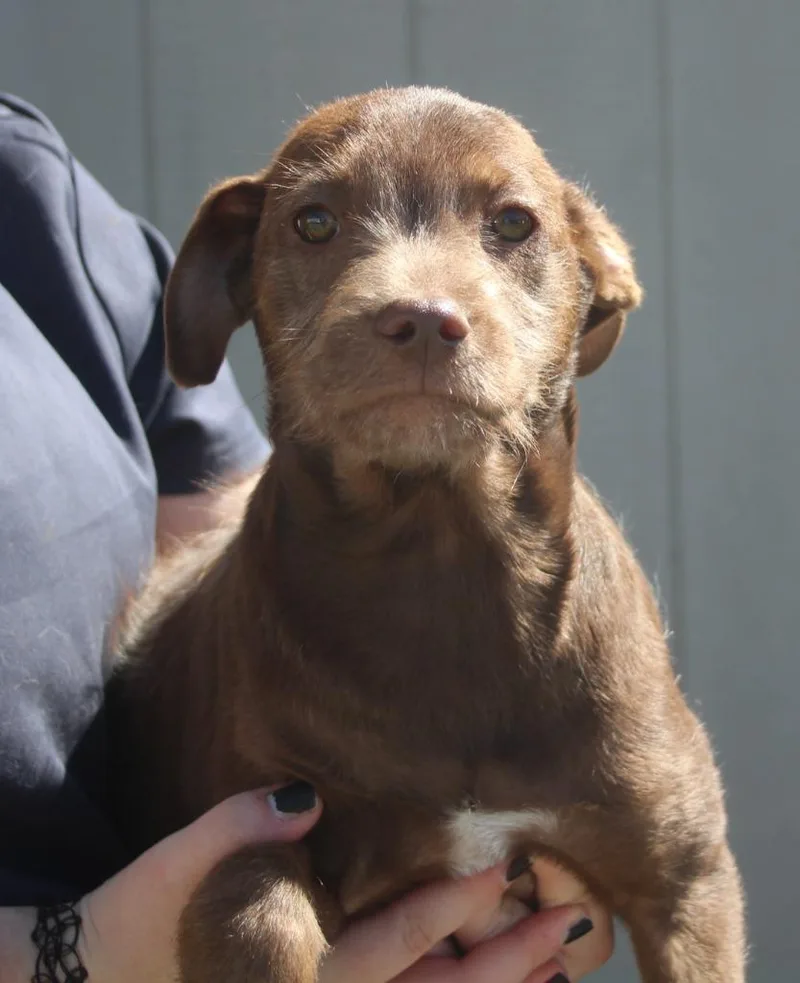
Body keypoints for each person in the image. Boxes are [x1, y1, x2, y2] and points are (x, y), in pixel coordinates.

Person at [0, 93, 613, 982]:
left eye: (509, 227)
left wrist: (505, 811)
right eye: (321, 222)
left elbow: (255, 535)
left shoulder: (28, 195)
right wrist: (65, 957)